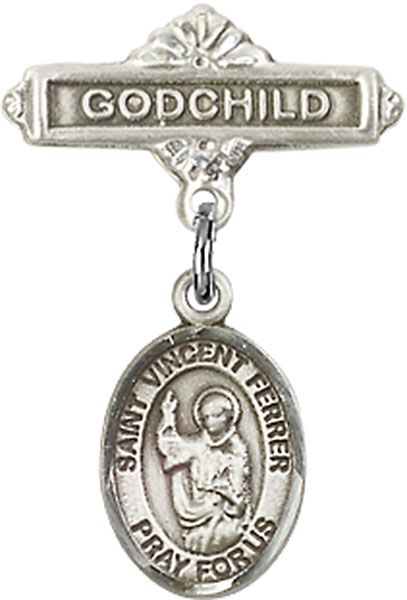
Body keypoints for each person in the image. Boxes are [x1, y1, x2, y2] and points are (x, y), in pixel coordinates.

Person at [157, 386, 252, 554]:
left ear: (229, 417)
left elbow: (238, 496)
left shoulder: (237, 449)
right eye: (206, 417)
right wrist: (168, 415)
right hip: (196, 511)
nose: (209, 421)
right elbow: (172, 448)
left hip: (226, 516)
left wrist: (221, 490)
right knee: (177, 468)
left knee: (223, 533)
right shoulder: (198, 444)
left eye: (215, 416)